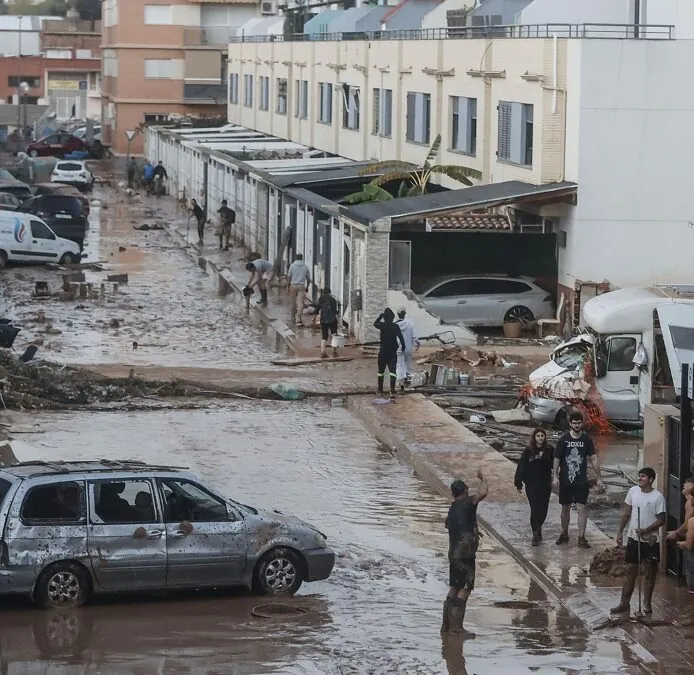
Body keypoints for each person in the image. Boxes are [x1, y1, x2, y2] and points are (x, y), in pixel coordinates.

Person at [611, 467, 666, 615]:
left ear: (650, 479)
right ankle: (624, 603)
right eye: (639, 476)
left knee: (649, 573)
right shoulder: (633, 491)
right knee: (630, 571)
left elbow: (661, 520)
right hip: (633, 539)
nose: (640, 479)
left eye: (643, 476)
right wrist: (619, 531)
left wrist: (646, 530)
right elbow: (627, 513)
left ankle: (647, 604)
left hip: (650, 541)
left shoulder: (658, 497)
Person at [442, 472, 488, 637]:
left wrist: (472, 529)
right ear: (465, 492)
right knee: (465, 588)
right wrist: (483, 479)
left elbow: (449, 525)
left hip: (453, 554)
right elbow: (483, 493)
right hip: (466, 555)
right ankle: (456, 629)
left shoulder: (452, 508)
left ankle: (446, 626)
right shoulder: (468, 503)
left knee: (454, 587)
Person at [553, 411, 603, 548]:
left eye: (579, 423)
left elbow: (593, 458)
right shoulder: (563, 439)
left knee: (582, 507)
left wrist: (599, 477)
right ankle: (564, 533)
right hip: (565, 480)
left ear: (582, 423)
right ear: (570, 424)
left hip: (581, 480)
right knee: (565, 507)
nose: (576, 425)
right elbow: (557, 458)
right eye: (574, 423)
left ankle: (582, 537)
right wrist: (555, 476)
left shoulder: (586, 440)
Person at [514, 428, 554, 546]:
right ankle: (535, 533)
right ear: (534, 437)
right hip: (531, 484)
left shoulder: (550, 450)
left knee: (543, 509)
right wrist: (518, 482)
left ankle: (539, 527)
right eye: (538, 436)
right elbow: (521, 466)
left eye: (542, 435)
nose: (540, 438)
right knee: (535, 508)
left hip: (545, 484)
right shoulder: (528, 451)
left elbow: (556, 463)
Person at [667, 476, 694, 594]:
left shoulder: (690, 504)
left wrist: (676, 533)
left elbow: (688, 524)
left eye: (687, 483)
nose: (684, 484)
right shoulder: (688, 502)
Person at [374, 308, 406, 397]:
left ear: (385, 317)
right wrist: (403, 346)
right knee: (392, 371)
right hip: (392, 352)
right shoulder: (395, 326)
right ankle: (392, 391)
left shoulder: (382, 325)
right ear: (392, 317)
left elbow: (374, 324)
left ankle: (380, 390)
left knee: (381, 371)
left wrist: (380, 317)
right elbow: (401, 337)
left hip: (383, 351)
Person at [395, 307, 419, 392]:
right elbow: (415, 337)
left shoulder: (395, 324)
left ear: (398, 314)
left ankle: (401, 384)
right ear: (405, 314)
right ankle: (407, 382)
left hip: (398, 349)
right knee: (408, 365)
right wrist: (417, 345)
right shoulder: (410, 324)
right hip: (408, 349)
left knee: (399, 365)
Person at [314, 287, 340, 358]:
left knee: (324, 336)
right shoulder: (333, 300)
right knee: (334, 334)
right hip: (332, 320)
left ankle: (323, 352)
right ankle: (334, 352)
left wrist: (315, 316)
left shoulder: (321, 299)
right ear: (330, 292)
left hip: (323, 320)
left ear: (323, 292)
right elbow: (335, 311)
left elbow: (316, 309)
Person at [286, 254, 311, 326]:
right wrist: (307, 286)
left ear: (296, 258)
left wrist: (287, 286)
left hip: (293, 286)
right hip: (301, 286)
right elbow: (308, 279)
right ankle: (298, 318)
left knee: (293, 302)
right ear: (302, 258)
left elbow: (289, 276)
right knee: (300, 303)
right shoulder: (305, 267)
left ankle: (293, 316)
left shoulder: (292, 266)